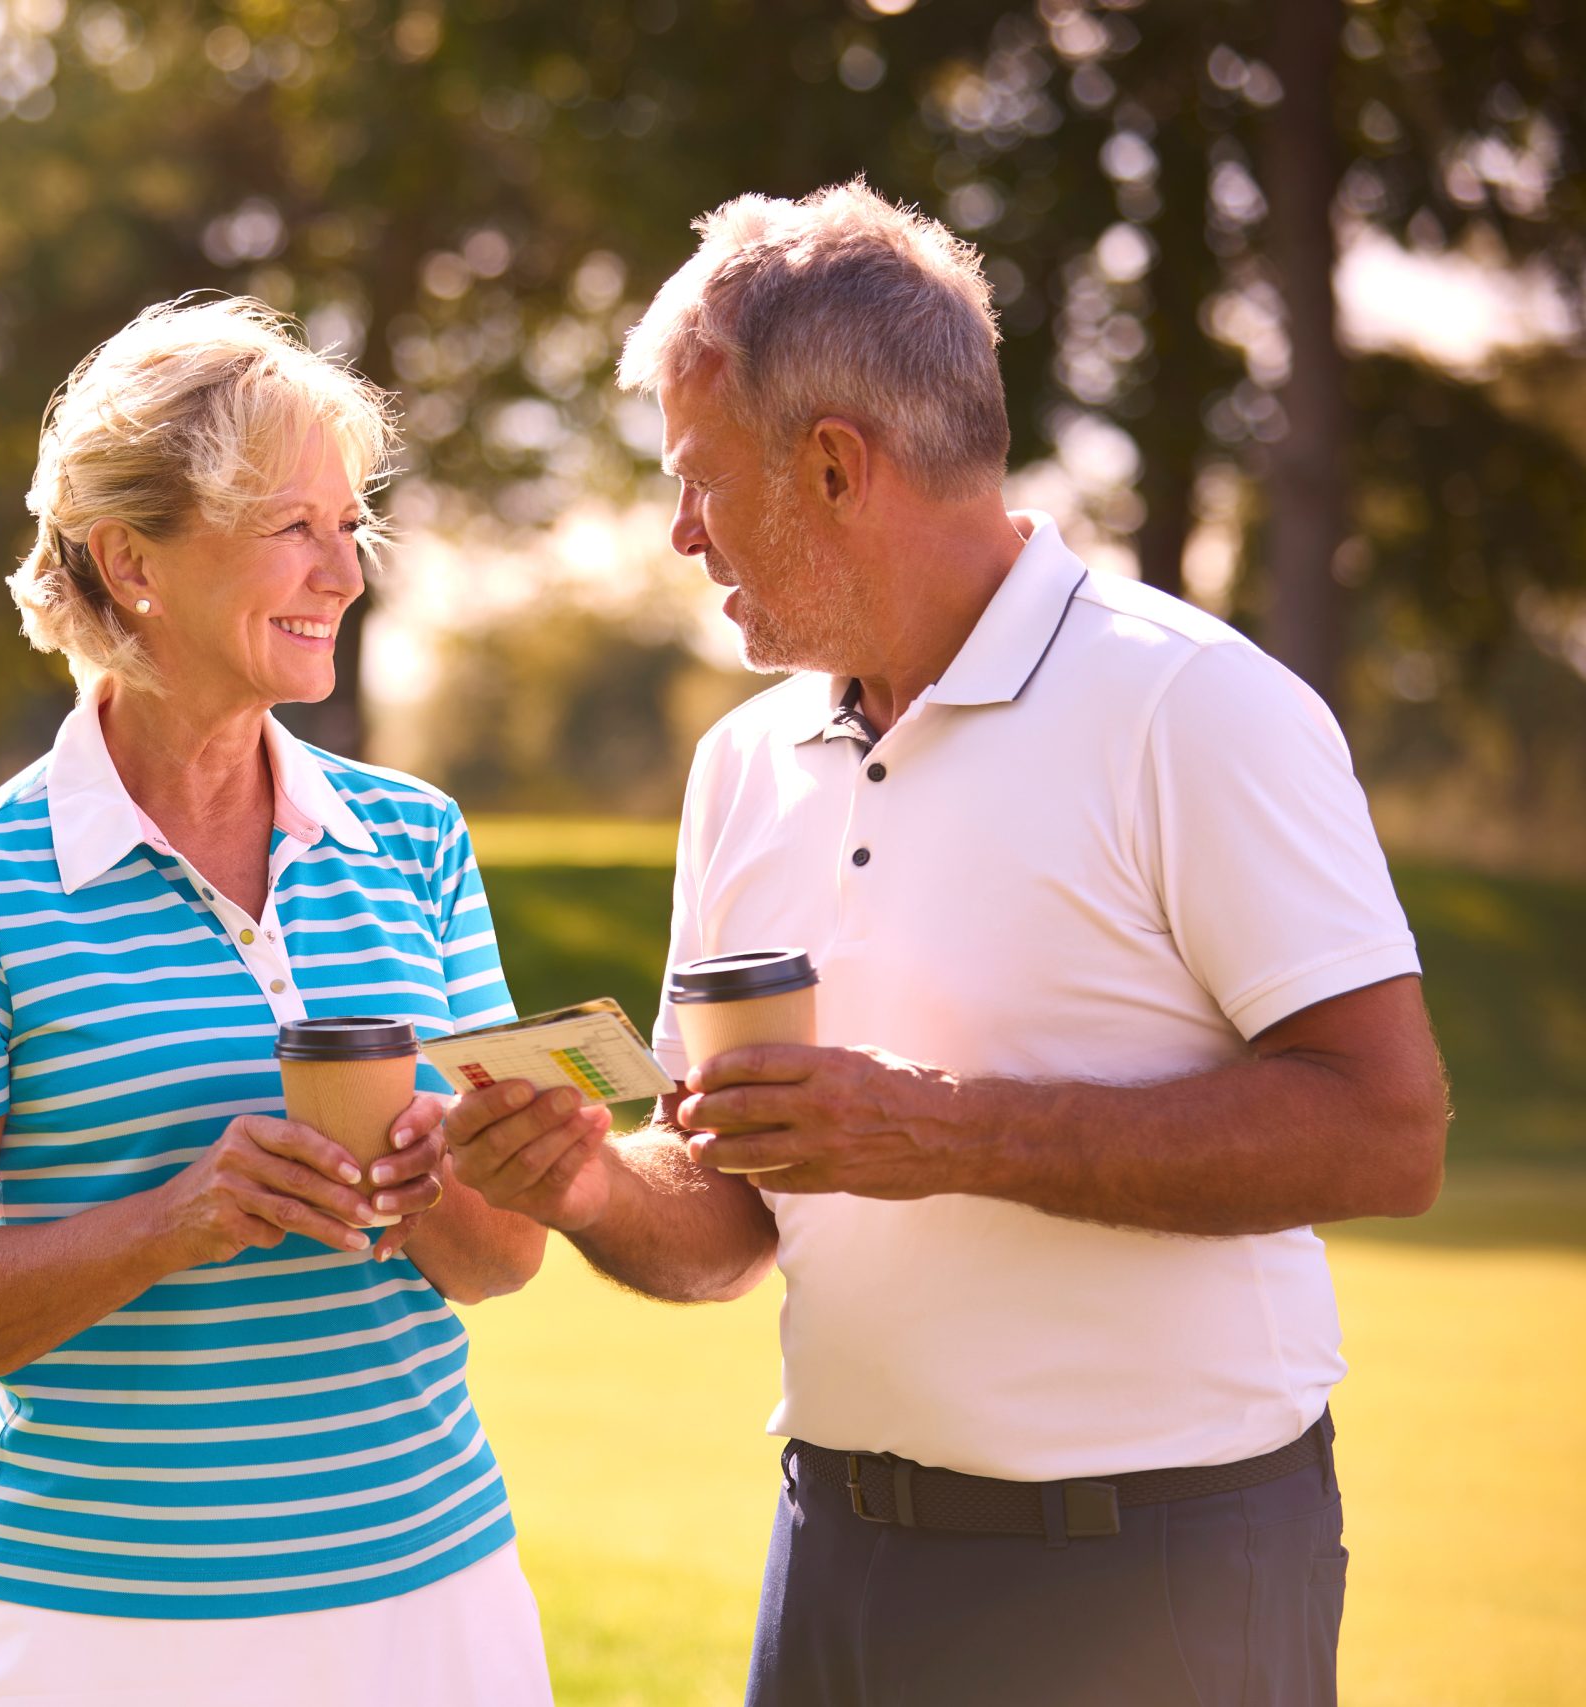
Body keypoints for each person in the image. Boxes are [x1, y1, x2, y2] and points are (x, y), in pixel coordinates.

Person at [444, 182, 1449, 1707]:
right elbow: (732, 1214)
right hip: (837, 1559)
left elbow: (1388, 1131)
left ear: (836, 465)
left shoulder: (1195, 706)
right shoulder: (744, 765)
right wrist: (585, 1177)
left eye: (701, 478)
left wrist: (950, 1132)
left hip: (1157, 1577)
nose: (678, 530)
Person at [0, 297, 557, 1706]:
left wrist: (442, 1180)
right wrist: (178, 1222)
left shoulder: (416, 840)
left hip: (433, 1601)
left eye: (350, 527)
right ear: (132, 560)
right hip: (102, 1638)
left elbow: (502, 1260)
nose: (343, 573)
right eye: (295, 526)